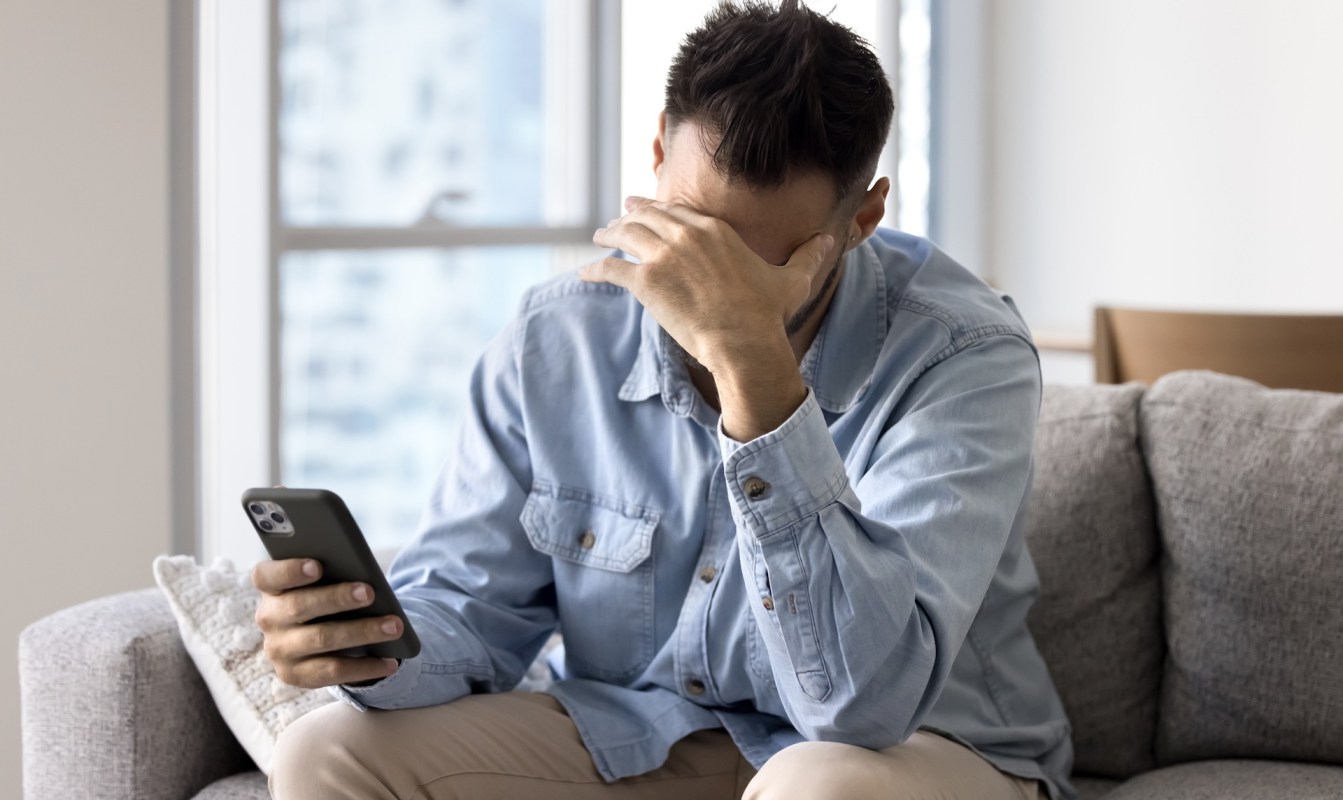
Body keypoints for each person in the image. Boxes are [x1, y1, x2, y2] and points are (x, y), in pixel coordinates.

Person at [255, 2, 1076, 798]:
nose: (706, 285)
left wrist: (754, 372)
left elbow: (861, 708)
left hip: (906, 755)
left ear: (861, 217)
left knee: (819, 786)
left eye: (756, 264)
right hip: (647, 734)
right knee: (326, 752)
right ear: (656, 151)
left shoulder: (965, 354)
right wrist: (367, 643)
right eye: (688, 233)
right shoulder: (559, 337)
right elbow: (472, 608)